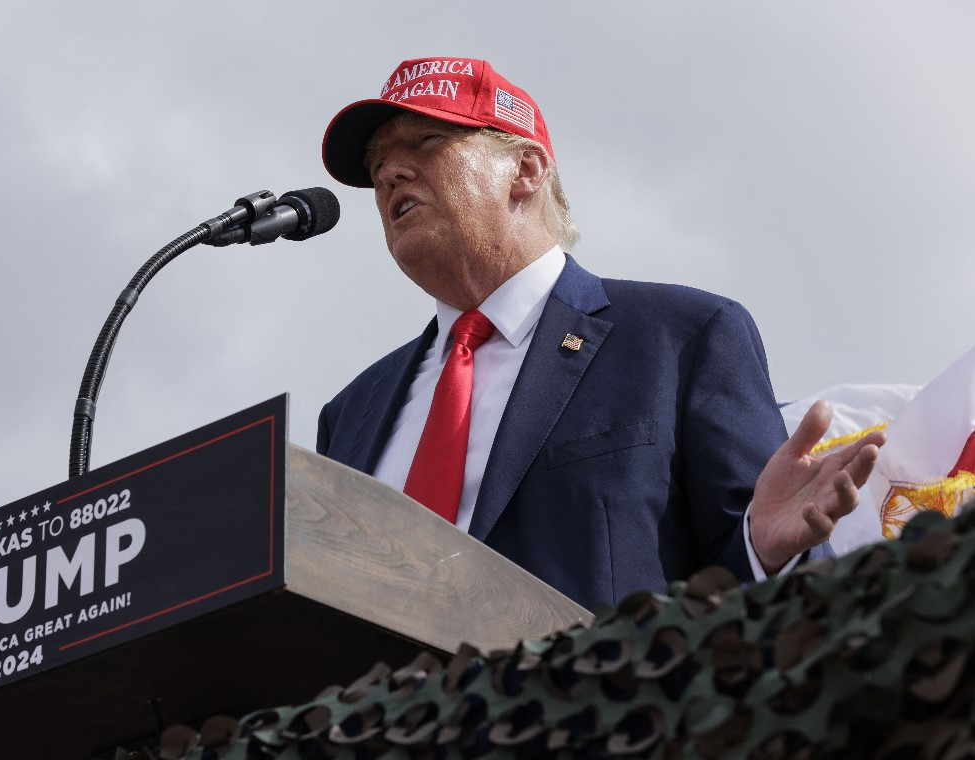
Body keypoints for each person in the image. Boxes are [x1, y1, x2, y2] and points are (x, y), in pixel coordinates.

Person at [315, 57, 885, 612]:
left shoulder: (681, 339)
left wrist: (765, 554)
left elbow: (765, 607)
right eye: (377, 166)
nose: (390, 173)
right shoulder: (350, 414)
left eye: (425, 143)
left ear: (526, 170)